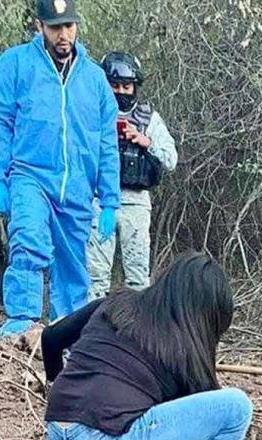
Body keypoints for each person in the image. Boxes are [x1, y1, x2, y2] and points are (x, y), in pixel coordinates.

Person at [42, 252, 250, 440]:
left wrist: (58, 391)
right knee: (237, 407)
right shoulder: (185, 355)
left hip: (59, 439)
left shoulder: (113, 303)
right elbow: (186, 435)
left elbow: (50, 339)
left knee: (128, 410)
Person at [0, 0, 120, 338]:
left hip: (77, 185)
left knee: (73, 265)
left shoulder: (95, 79)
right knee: (29, 241)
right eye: (56, 27)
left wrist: (110, 200)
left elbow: (107, 142)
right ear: (39, 26)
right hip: (30, 174)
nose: (64, 35)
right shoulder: (15, 64)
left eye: (69, 26)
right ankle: (22, 321)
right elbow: (0, 122)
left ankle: (67, 331)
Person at [87, 52, 177, 298]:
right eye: (114, 86)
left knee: (138, 277)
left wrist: (144, 140)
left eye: (126, 86)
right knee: (95, 276)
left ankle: (137, 333)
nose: (121, 91)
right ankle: (91, 330)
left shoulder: (149, 118)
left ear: (135, 86)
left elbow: (171, 159)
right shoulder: (92, 115)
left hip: (135, 203)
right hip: (99, 201)